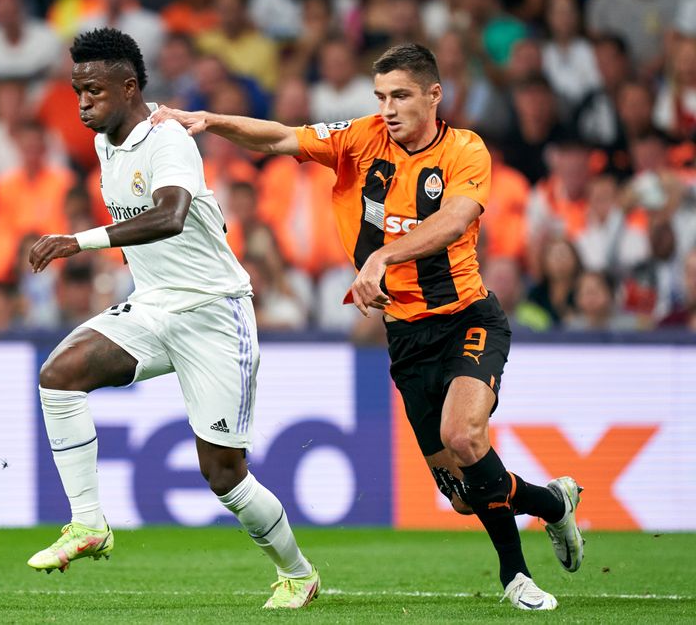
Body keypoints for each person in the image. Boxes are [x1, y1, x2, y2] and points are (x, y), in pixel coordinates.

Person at [152, 43, 584, 611]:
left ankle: (516, 578)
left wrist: (382, 259)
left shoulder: (465, 151)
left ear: (435, 95)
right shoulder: (360, 139)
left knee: (464, 435)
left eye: (400, 95)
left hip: (467, 318)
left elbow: (456, 218)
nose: (388, 107)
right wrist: (211, 122)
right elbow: (283, 137)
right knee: (462, 495)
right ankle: (552, 504)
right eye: (380, 96)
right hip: (406, 336)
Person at [26, 28, 319, 610]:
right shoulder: (106, 142)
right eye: (77, 91)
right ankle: (89, 523)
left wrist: (76, 241)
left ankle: (298, 573)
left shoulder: (167, 141)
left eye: (94, 92)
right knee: (58, 375)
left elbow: (171, 216)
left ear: (129, 86)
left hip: (214, 311)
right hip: (156, 303)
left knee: (224, 475)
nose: (83, 103)